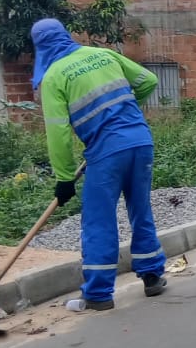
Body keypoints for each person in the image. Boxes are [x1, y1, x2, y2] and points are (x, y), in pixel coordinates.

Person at [31, 18, 167, 311]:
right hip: (140, 141)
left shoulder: (53, 77)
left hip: (107, 152)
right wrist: (125, 108)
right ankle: (152, 276)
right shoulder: (102, 54)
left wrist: (64, 178)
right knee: (140, 209)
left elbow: (58, 133)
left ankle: (98, 293)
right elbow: (148, 80)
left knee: (98, 220)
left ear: (40, 47)